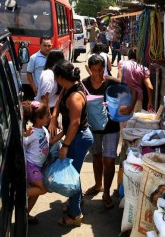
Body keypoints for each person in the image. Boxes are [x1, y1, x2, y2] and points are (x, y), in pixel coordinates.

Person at [82, 54, 136, 209]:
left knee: (110, 160)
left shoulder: (111, 82)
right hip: (94, 128)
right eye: (94, 70)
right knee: (97, 157)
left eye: (100, 70)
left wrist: (129, 108)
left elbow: (133, 90)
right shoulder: (84, 84)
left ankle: (106, 193)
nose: (98, 74)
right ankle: (97, 185)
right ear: (89, 69)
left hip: (111, 127)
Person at [49, 60, 93, 227]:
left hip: (79, 138)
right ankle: (77, 202)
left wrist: (65, 146)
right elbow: (59, 100)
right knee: (73, 174)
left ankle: (75, 215)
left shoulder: (75, 96)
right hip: (75, 137)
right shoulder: (69, 87)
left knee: (71, 177)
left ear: (60, 77)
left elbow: (74, 123)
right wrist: (54, 117)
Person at [22, 100, 63, 224]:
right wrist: (25, 134)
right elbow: (22, 143)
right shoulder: (32, 132)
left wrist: (65, 132)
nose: (50, 117)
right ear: (39, 119)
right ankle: (18, 195)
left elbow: (51, 141)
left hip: (37, 167)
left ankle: (26, 214)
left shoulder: (43, 129)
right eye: (47, 116)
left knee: (36, 192)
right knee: (43, 189)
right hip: (31, 166)